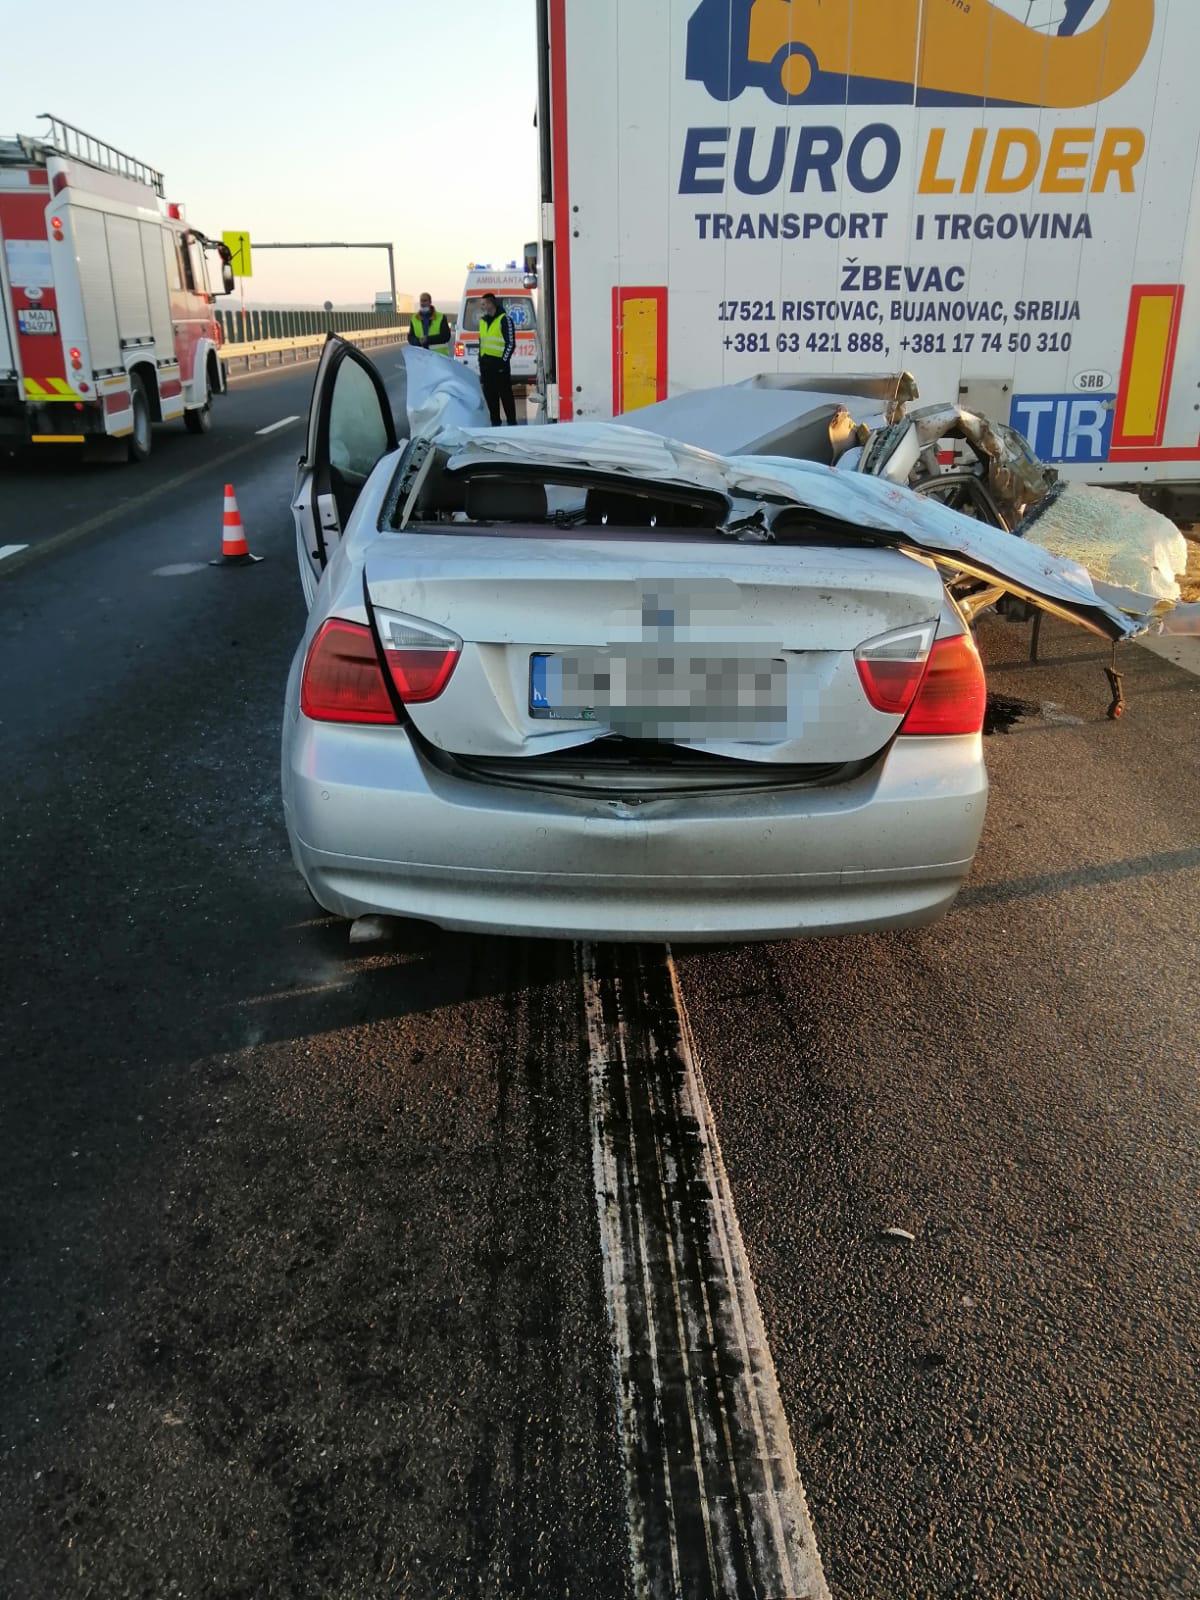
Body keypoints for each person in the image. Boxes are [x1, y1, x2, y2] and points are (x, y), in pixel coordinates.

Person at [477, 293, 517, 426]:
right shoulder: (482, 322)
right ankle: (495, 424)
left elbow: (510, 343)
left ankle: (512, 424)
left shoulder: (504, 319)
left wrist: (503, 362)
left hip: (500, 366)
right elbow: (482, 343)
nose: (482, 307)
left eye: (483, 304)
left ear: (490, 304)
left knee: (506, 396)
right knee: (491, 398)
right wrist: (480, 361)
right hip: (486, 366)